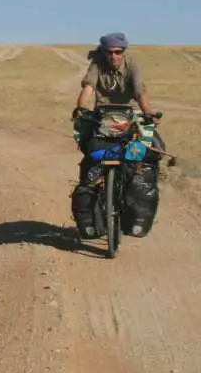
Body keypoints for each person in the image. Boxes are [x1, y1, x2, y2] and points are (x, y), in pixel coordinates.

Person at [69, 32, 166, 239]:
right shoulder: (97, 64)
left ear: (124, 51)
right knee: (88, 147)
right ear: (103, 52)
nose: (113, 56)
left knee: (153, 146)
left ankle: (135, 188)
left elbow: (140, 91)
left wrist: (147, 112)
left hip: (131, 114)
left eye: (118, 52)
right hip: (103, 115)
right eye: (109, 52)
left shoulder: (132, 65)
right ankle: (94, 188)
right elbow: (88, 88)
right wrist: (81, 108)